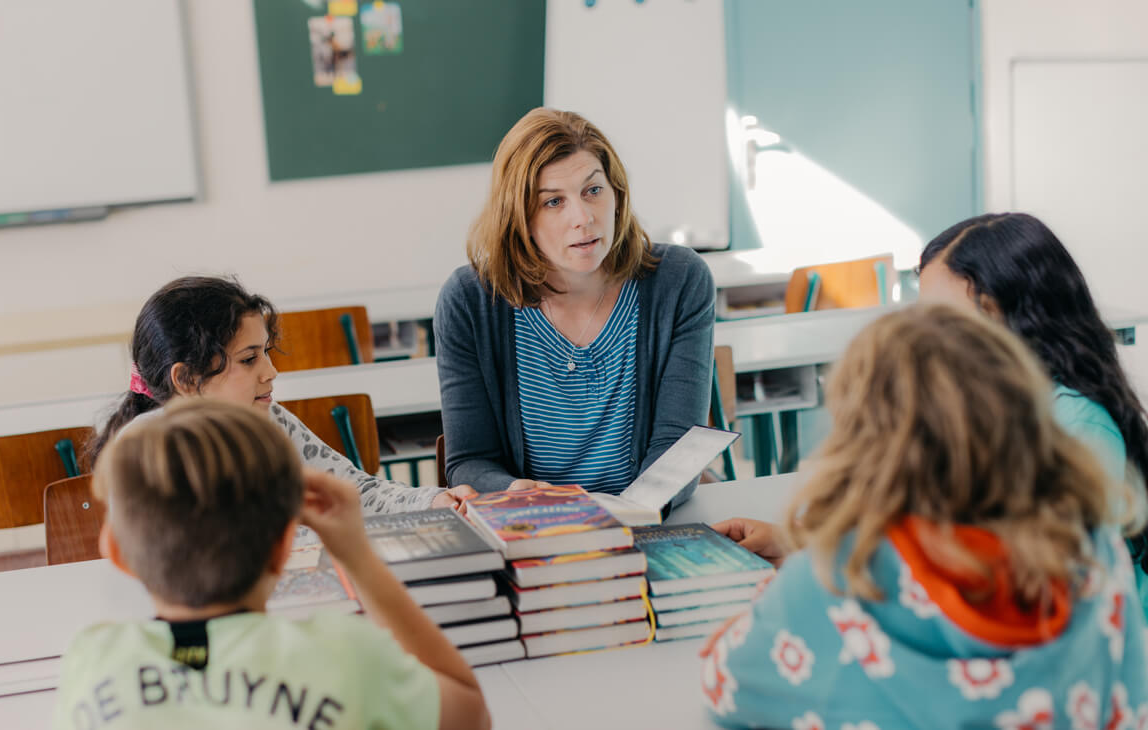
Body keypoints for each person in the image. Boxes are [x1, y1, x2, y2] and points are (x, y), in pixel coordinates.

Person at [699, 304, 1146, 729]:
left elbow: (726, 686)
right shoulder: (1094, 555)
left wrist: (771, 595)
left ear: (860, 442)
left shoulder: (834, 579)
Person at [54, 400, 490, 729]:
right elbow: (468, 712)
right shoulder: (344, 655)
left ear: (115, 552)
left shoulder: (91, 661)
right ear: (286, 546)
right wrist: (355, 553)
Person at [435, 107, 715, 502]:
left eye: (593, 191)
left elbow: (677, 452)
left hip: (648, 520)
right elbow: (471, 462)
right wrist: (520, 493)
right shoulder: (470, 300)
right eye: (553, 202)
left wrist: (625, 518)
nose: (583, 217)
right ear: (518, 216)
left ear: (617, 194)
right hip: (537, 527)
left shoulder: (680, 280)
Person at [87, 275, 477, 513]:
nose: (271, 371)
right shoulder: (148, 450)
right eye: (249, 359)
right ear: (187, 379)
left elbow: (354, 492)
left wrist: (429, 502)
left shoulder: (269, 420)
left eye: (266, 353)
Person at [918, 212, 1148, 615]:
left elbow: (1054, 594)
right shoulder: (993, 407)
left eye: (944, 321)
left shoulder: (1079, 430)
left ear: (1003, 317)